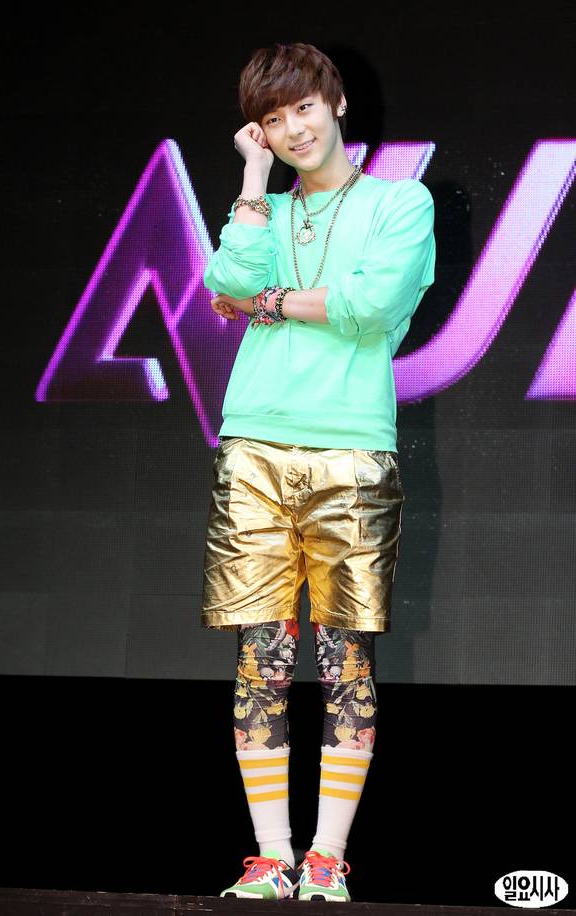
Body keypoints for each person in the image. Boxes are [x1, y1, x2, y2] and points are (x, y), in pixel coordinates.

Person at [200, 41, 436, 902]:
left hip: (351, 446)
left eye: (302, 107)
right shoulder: (262, 207)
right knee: (260, 659)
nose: (292, 128)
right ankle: (270, 856)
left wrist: (262, 305)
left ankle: (327, 859)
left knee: (345, 659)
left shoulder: (399, 202)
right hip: (254, 444)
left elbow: (369, 305)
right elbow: (222, 279)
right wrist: (252, 179)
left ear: (335, 103)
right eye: (272, 119)